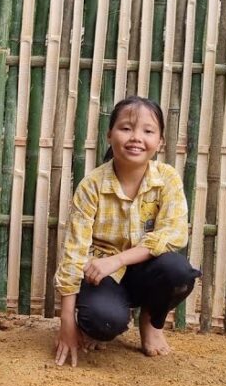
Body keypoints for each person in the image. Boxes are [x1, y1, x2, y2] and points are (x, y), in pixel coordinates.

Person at [53, 96, 201, 367]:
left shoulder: (167, 178)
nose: (136, 138)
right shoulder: (91, 186)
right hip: (102, 276)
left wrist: (118, 259)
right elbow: (73, 253)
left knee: (178, 272)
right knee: (102, 321)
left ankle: (150, 321)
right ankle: (98, 324)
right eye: (126, 128)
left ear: (160, 142)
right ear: (109, 135)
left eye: (148, 131)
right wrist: (66, 322)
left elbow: (174, 234)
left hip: (146, 270)